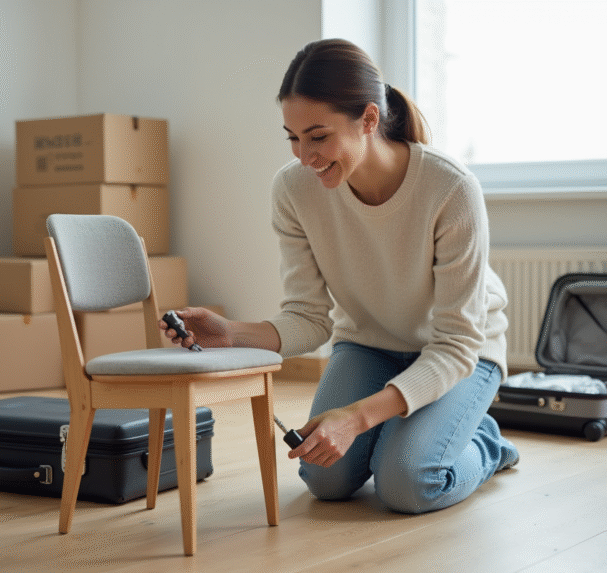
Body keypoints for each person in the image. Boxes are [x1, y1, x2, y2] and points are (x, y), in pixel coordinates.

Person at [160, 38, 519, 514]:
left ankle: (485, 444)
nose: (304, 156)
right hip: (369, 345)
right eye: (292, 136)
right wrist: (231, 333)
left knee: (408, 483)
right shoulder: (293, 191)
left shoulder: (450, 188)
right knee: (324, 479)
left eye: (318, 136)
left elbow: (456, 345)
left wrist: (355, 418)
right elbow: (309, 317)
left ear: (369, 120)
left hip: (458, 353)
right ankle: (411, 429)